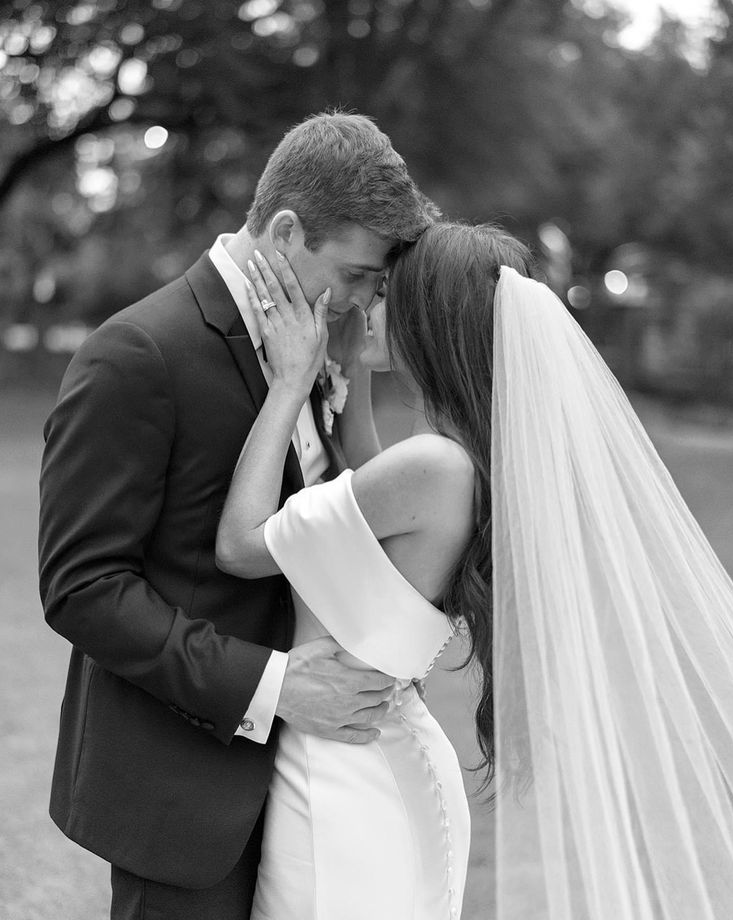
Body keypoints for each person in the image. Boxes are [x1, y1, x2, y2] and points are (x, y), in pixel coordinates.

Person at [217, 221, 733, 920]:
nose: (364, 307)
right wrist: (352, 376)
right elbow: (368, 500)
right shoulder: (460, 456)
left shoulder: (430, 467)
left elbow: (242, 545)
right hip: (375, 753)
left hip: (346, 784)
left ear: (425, 318)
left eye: (384, 296)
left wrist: (290, 383)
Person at [38, 112, 438, 920]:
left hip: (316, 787)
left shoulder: (323, 342)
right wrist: (275, 686)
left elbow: (343, 519)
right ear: (287, 231)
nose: (366, 300)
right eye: (358, 273)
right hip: (186, 790)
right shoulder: (137, 355)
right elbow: (83, 589)